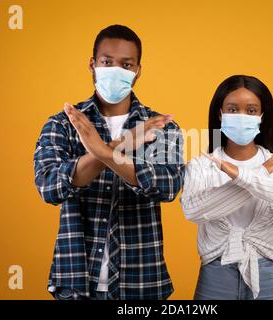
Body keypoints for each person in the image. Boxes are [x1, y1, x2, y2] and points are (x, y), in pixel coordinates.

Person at [33, 25, 184, 300]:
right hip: (76, 281)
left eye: (126, 64)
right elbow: (50, 187)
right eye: (107, 62)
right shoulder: (64, 124)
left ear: (138, 70)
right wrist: (116, 148)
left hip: (141, 284)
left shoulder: (160, 127)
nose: (116, 70)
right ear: (93, 64)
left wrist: (102, 153)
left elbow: (169, 186)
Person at [180, 75, 273, 300]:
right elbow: (192, 210)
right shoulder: (201, 165)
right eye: (233, 109)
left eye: (251, 110)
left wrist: (244, 177)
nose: (241, 116)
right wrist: (259, 174)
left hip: (268, 274)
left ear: (262, 116)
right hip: (216, 274)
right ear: (220, 113)